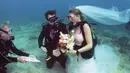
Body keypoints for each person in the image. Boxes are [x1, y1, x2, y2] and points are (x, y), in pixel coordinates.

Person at [66, 8, 97, 73]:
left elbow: (90, 45)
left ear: (78, 16)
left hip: (84, 54)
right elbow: (70, 40)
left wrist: (77, 51)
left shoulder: (85, 26)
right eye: (68, 17)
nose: (69, 19)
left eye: (71, 17)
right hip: (74, 54)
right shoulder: (71, 26)